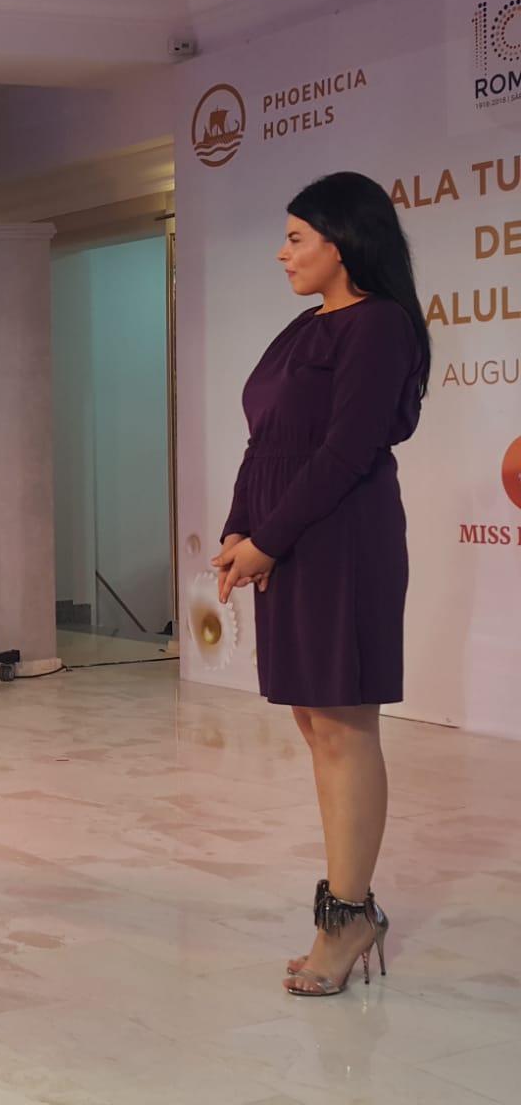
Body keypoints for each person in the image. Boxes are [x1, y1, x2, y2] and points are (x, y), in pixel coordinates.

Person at [212, 171, 429, 997]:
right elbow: (264, 439)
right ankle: (348, 909)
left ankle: (348, 917)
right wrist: (239, 528)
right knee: (315, 722)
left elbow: (346, 451)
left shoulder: (380, 326)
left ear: (343, 242)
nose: (283, 252)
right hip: (290, 540)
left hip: (343, 542)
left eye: (297, 237)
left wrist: (268, 540)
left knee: (344, 725)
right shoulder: (304, 327)